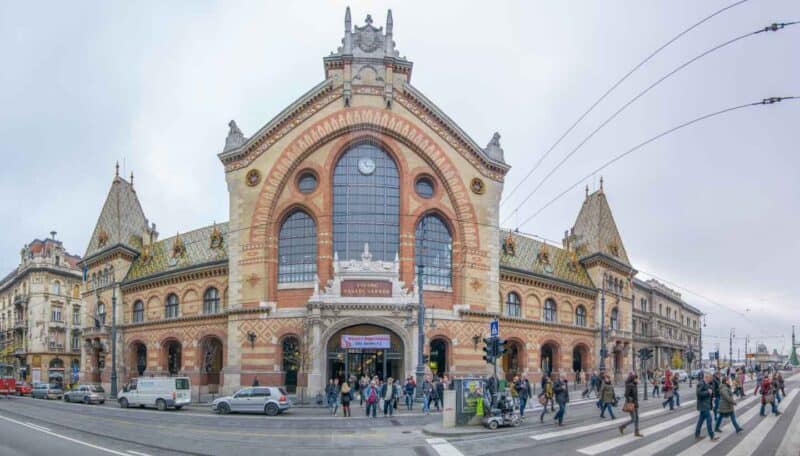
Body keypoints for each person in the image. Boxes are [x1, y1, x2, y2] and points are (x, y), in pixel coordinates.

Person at [695, 373, 719, 441]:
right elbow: (698, 393)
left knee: (700, 421)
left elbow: (710, 391)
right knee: (709, 419)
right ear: (706, 377)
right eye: (710, 378)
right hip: (703, 405)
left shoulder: (706, 383)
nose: (711, 379)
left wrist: (712, 396)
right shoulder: (701, 383)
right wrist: (708, 392)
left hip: (705, 405)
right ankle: (712, 436)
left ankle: (697, 434)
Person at [619, 372, 643, 437]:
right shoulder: (629, 385)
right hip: (631, 404)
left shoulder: (635, 385)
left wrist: (636, 402)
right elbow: (626, 394)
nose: (637, 380)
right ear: (633, 379)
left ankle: (636, 432)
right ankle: (622, 426)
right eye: (636, 379)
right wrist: (631, 399)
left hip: (635, 403)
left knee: (637, 418)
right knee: (634, 419)